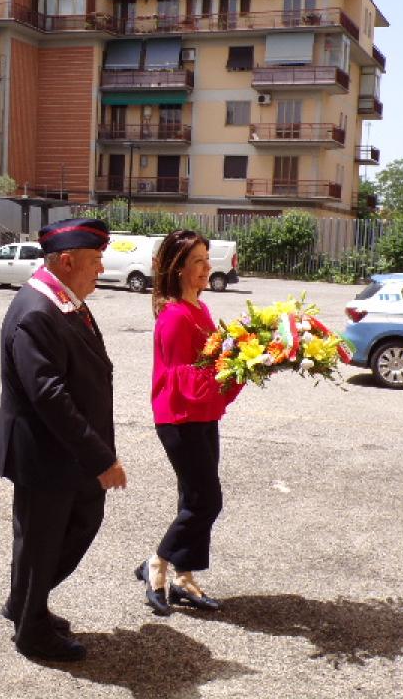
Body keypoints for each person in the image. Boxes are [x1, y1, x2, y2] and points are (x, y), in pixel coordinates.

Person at [0, 217, 127, 662]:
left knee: (64, 530)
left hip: (64, 454)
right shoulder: (36, 310)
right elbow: (49, 395)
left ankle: (25, 603)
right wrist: (100, 459)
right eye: (94, 261)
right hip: (47, 454)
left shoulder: (61, 299)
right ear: (67, 261)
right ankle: (31, 630)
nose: (101, 269)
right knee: (42, 540)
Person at [135, 229, 243, 616]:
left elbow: (208, 361)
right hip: (179, 417)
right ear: (178, 268)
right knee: (205, 502)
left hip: (202, 415)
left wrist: (243, 353)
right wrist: (235, 370)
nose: (206, 267)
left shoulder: (199, 309)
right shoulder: (175, 317)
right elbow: (184, 380)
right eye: (197, 261)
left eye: (206, 259)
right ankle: (157, 564)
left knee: (192, 499)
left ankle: (183, 577)